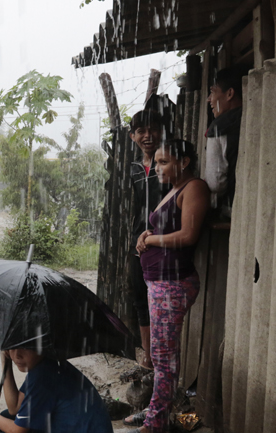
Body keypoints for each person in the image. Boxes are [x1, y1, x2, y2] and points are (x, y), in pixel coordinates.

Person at [122, 139, 210, 433]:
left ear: (183, 162)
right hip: (159, 282)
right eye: (156, 162)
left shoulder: (194, 187)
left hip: (173, 284)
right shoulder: (173, 188)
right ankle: (158, 413)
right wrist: (145, 234)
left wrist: (151, 239)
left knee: (163, 357)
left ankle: (155, 424)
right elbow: (165, 226)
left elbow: (187, 235)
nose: (157, 167)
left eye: (163, 162)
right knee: (161, 355)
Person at [123, 110, 170, 380]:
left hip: (165, 242)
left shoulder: (169, 163)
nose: (147, 135)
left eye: (153, 129)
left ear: (162, 132)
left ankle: (163, 363)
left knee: (161, 303)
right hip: (137, 244)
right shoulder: (133, 169)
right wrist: (135, 238)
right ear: (133, 136)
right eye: (141, 131)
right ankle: (148, 360)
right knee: (140, 298)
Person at [0, 347, 112, 433]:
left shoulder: (43, 375)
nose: (17, 355)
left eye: (25, 347)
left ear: (41, 346)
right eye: (12, 348)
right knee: (8, 417)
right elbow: (15, 407)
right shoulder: (47, 364)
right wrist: (6, 362)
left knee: (6, 424)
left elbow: (18, 430)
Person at [204, 65, 248, 219]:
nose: (209, 99)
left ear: (229, 93)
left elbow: (216, 183)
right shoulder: (255, 116)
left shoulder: (219, 127)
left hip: (234, 208)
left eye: (213, 92)